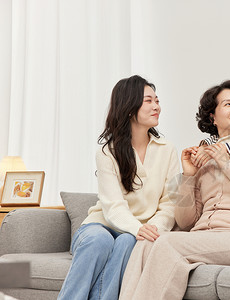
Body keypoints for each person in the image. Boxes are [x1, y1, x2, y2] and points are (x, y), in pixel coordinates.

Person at [119, 80, 230, 300]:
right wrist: (188, 176)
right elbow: (185, 221)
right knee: (147, 241)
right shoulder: (203, 155)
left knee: (166, 243)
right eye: (228, 104)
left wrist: (226, 164)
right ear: (212, 117)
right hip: (205, 235)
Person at [58, 75, 179, 300]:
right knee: (100, 240)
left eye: (157, 100)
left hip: (139, 233)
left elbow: (171, 202)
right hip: (99, 227)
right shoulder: (107, 152)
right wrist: (138, 228)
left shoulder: (167, 149)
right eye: (149, 101)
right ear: (130, 107)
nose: (157, 107)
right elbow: (113, 207)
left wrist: (152, 228)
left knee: (127, 241)